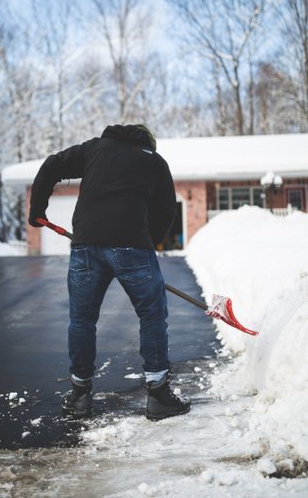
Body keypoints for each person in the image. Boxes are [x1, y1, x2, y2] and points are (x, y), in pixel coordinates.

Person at [28, 124, 190, 420]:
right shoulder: (154, 161)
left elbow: (52, 165)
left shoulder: (93, 149)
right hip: (132, 246)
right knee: (152, 315)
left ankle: (79, 395)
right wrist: (144, 240)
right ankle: (158, 395)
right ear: (148, 143)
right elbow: (167, 209)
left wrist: (37, 208)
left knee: (82, 320)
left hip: (86, 244)